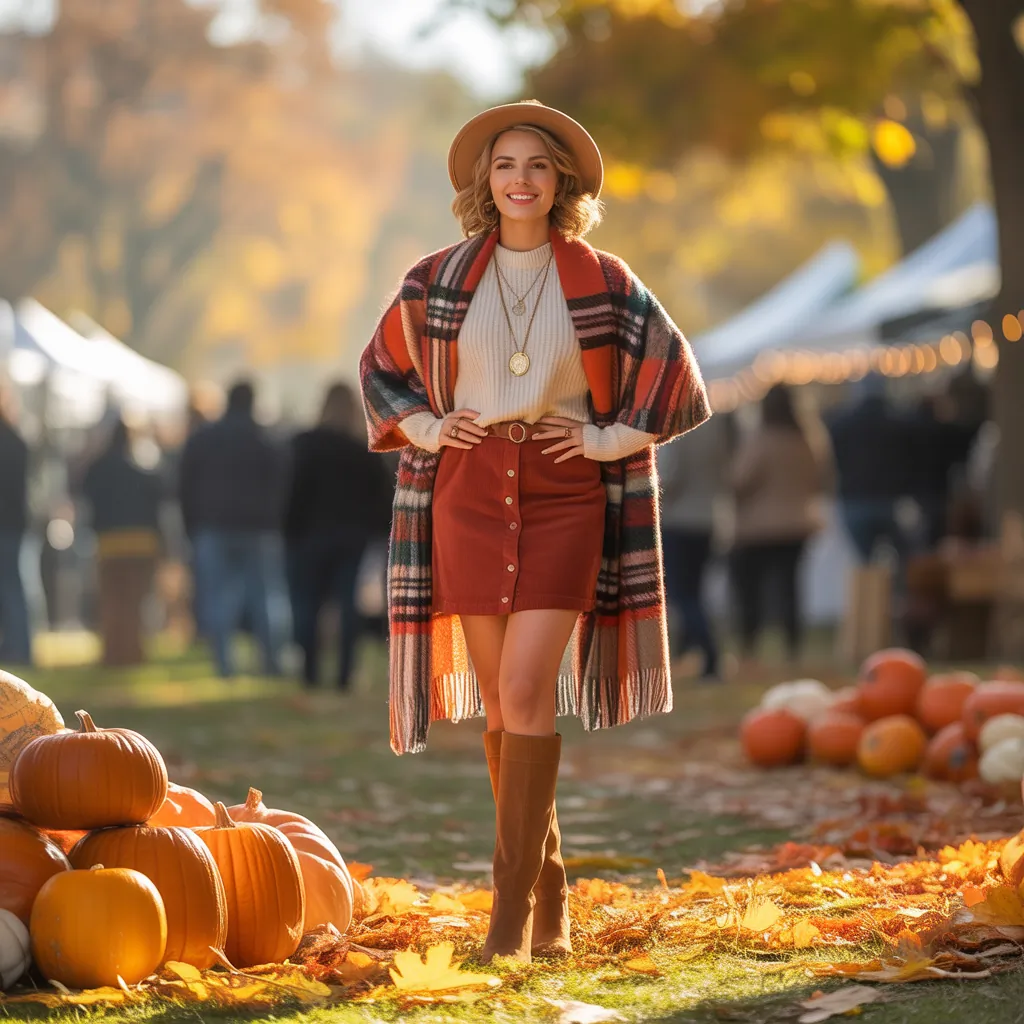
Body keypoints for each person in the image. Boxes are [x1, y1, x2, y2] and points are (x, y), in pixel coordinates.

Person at [359, 100, 710, 963]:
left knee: (523, 693)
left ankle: (507, 913)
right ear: (486, 179)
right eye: (506, 164)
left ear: (562, 185)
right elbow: (380, 372)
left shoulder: (602, 277)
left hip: (564, 495)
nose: (520, 179)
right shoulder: (435, 278)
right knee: (504, 705)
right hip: (468, 493)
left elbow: (678, 380)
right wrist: (432, 430)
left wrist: (603, 438)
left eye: (538, 167)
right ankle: (547, 884)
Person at [285, 383, 393, 690]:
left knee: (307, 603)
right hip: (352, 538)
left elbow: (293, 491)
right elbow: (382, 498)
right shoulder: (363, 449)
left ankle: (309, 672)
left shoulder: (304, 444)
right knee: (348, 605)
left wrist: (289, 530)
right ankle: (345, 674)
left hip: (309, 536)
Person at [179, 380, 290, 678]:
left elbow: (185, 485)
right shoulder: (266, 439)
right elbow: (283, 485)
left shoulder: (204, 438)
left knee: (218, 597)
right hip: (259, 528)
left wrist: (192, 526)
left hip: (213, 526)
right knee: (265, 597)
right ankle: (271, 662)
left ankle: (224, 664)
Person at [729, 384, 830, 663]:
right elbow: (820, 479)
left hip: (759, 528)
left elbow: (740, 481)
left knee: (752, 589)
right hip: (798, 523)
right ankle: (792, 645)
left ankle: (750, 643)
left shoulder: (761, 440)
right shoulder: (808, 439)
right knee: (790, 587)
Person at [657, 412, 733, 682]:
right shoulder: (713, 424)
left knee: (682, 594)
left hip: (680, 520)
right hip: (709, 519)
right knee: (696, 592)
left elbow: (670, 476)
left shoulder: (675, 427)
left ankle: (709, 654)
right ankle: (697, 652)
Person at [81, 419, 164, 666]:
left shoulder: (97, 467)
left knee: (111, 602)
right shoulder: (145, 467)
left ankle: (113, 654)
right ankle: (134, 653)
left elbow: (87, 497)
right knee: (136, 602)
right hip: (142, 542)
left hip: (109, 543)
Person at [826, 374, 915, 564]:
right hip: (889, 499)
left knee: (864, 562)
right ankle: (896, 591)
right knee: (906, 559)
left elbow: (832, 459)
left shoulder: (842, 424)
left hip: (855, 499)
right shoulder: (897, 422)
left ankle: (873, 592)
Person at [0, 392, 32, 665]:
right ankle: (20, 648)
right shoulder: (16, 440)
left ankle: (18, 648)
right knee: (15, 586)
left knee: (11, 587)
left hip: (7, 524)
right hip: (14, 523)